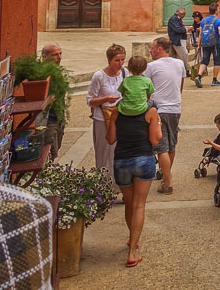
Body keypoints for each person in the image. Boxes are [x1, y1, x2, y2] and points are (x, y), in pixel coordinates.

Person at [106, 100, 161, 268]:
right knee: (139, 205)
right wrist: (158, 124)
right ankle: (132, 253)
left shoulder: (116, 112)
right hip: (144, 159)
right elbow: (155, 139)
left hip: (122, 160)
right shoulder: (150, 111)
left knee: (129, 203)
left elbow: (110, 139)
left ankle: (132, 239)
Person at [145, 37, 187, 195]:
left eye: (152, 47)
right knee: (172, 144)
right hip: (175, 108)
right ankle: (165, 173)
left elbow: (147, 90)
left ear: (160, 49)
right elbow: (180, 85)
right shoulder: (179, 63)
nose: (150, 50)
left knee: (161, 147)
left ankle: (168, 183)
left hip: (159, 110)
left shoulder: (151, 66)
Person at [87, 44, 126, 195]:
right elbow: (90, 100)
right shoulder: (99, 76)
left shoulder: (124, 73)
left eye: (122, 59)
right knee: (104, 154)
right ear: (109, 60)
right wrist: (106, 99)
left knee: (118, 153)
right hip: (102, 119)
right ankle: (104, 189)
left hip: (120, 118)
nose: (120, 63)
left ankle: (119, 187)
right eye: (117, 60)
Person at [39, 42, 68, 160]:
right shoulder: (41, 74)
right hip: (49, 122)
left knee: (55, 153)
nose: (59, 57)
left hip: (59, 120)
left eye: (60, 54)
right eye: (56, 54)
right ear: (45, 57)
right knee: (48, 155)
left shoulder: (57, 71)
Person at [197, 3, 220, 88]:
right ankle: (214, 79)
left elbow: (200, 34)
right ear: (216, 10)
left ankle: (198, 76)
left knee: (205, 61)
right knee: (217, 61)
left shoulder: (203, 21)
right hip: (215, 43)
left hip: (205, 43)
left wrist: (199, 45)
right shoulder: (218, 20)